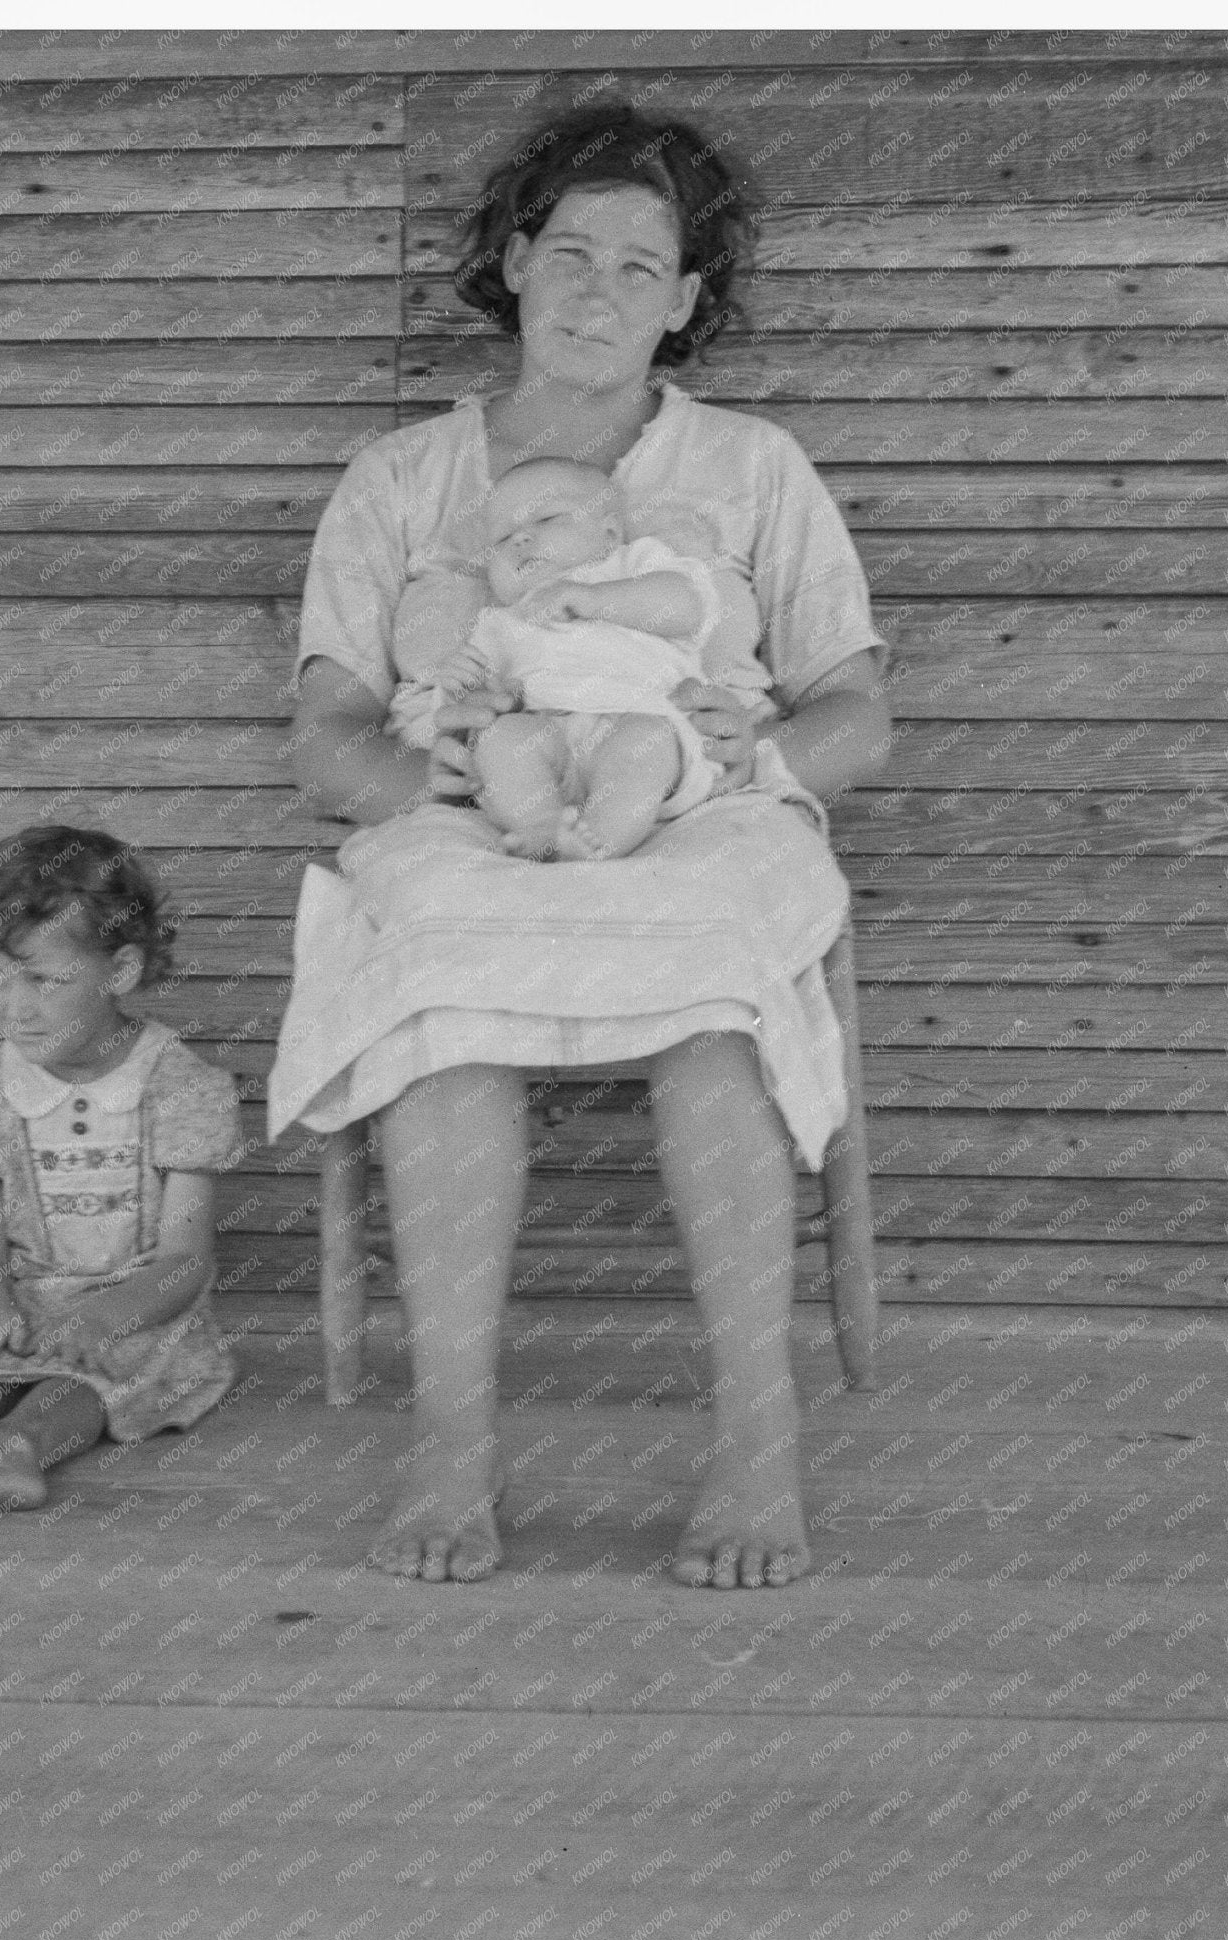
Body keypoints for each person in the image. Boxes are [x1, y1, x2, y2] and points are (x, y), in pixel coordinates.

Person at [268, 104, 892, 1590]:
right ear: (512, 262)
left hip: (700, 801)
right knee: (443, 981)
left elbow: (856, 713)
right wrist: (432, 778)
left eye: (639, 266)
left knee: (711, 984)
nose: (598, 292)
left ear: (684, 300)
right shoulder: (402, 479)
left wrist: (755, 756)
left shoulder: (750, 467)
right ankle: (453, 1442)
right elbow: (326, 734)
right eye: (569, 253)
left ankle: (756, 1437)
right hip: (465, 808)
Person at [0, 826, 242, 1511]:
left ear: (120, 973)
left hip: (140, 1309)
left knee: (83, 1381)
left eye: (40, 978)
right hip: (28, 1301)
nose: (12, 1006)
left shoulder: (181, 1090)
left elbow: (185, 1261)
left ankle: (13, 1451)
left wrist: (103, 1319)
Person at [388, 457, 738, 859]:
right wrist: (460, 685)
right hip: (545, 736)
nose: (520, 539)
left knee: (644, 744)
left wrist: (594, 599)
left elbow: (688, 606)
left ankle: (600, 840)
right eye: (502, 539)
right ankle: (543, 829)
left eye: (546, 519)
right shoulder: (499, 622)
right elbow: (470, 712)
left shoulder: (633, 565)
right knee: (500, 739)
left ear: (609, 534)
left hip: (636, 717)